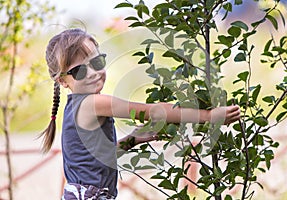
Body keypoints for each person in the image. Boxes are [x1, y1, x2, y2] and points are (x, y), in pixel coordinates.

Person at [40, 28, 240, 200]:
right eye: (79, 71)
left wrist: (132, 140)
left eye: (97, 62)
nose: (93, 73)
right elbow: (152, 111)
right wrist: (208, 116)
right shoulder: (92, 103)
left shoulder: (74, 106)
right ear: (63, 81)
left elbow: (99, 159)